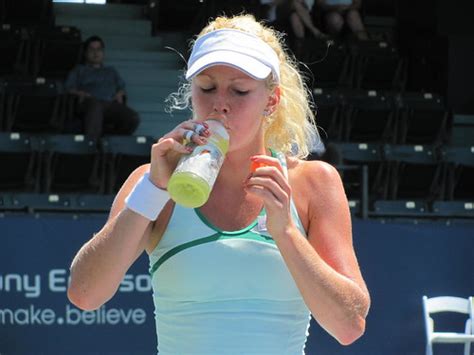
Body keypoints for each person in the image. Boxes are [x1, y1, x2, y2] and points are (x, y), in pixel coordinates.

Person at [67, 14, 370, 354]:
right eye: (206, 87)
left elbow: (349, 325)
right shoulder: (151, 181)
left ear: (271, 100)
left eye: (240, 91)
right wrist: (153, 189)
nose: (219, 104)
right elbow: (85, 294)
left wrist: (286, 232)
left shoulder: (313, 182)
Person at [64, 35, 139, 140]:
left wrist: (120, 93)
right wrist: (80, 93)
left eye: (99, 49)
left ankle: (111, 143)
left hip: (109, 103)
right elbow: (68, 88)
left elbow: (121, 87)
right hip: (88, 102)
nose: (96, 53)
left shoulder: (111, 71)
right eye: (92, 49)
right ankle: (91, 145)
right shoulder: (79, 70)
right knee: (95, 106)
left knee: (132, 117)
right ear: (85, 53)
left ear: (103, 52)